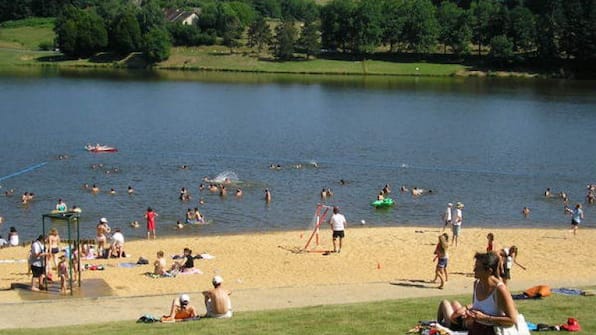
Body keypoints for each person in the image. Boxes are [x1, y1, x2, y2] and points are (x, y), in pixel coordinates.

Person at [465, 252, 519, 335]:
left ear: (489, 271)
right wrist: (470, 314)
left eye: (478, 267)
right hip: (476, 330)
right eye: (475, 266)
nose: (474, 270)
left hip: (492, 331)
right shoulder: (476, 284)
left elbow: (512, 320)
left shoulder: (499, 289)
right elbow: (477, 309)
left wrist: (486, 318)